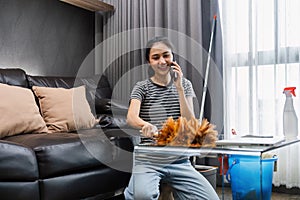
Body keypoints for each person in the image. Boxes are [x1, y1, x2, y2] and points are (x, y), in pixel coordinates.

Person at [124, 36, 219, 200]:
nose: (162, 61)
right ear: (149, 62)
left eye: (166, 55)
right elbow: (131, 117)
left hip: (179, 160)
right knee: (143, 197)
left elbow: (191, 123)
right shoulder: (141, 87)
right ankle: (134, 190)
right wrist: (145, 125)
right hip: (149, 160)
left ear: (172, 57)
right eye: (156, 57)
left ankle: (167, 188)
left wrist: (179, 88)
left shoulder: (185, 85)